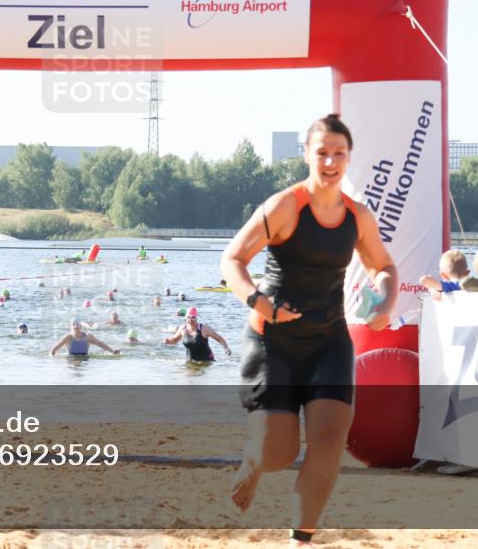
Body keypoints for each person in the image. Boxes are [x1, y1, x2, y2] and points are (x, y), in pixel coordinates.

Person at [220, 114, 398, 548]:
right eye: (322, 153)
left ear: (349, 157)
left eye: (339, 153)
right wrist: (259, 301)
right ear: (307, 155)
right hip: (272, 342)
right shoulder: (284, 206)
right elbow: (232, 260)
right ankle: (253, 461)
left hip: (329, 342)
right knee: (278, 454)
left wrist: (386, 298)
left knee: (329, 441)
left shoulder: (358, 217)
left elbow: (384, 266)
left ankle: (301, 539)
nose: (331, 161)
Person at [163, 307, 230, 362]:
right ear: (186, 317)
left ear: (196, 318)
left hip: (207, 361)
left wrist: (226, 348)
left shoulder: (204, 328)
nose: (190, 319)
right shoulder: (183, 328)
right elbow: (175, 339)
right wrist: (168, 340)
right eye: (188, 317)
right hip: (190, 361)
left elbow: (219, 338)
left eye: (193, 317)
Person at [50, 318, 119, 356]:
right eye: (73, 325)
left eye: (77, 325)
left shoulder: (88, 337)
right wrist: (52, 356)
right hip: (71, 359)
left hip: (85, 359)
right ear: (70, 327)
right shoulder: (68, 337)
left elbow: (100, 344)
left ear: (81, 326)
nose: (75, 326)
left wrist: (112, 351)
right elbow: (55, 348)